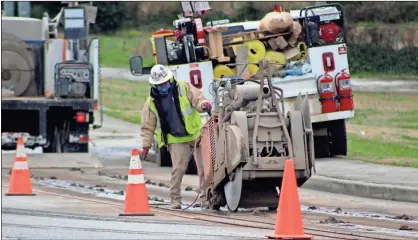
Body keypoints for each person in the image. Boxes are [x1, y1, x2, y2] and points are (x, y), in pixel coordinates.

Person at [139, 64, 212, 209]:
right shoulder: (152, 102)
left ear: (170, 79)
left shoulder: (184, 87)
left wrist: (204, 104)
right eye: (160, 84)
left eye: (165, 83)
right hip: (175, 139)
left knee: (206, 169)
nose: (163, 86)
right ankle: (175, 200)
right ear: (154, 85)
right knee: (178, 170)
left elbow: (198, 99)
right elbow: (148, 126)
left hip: (196, 133)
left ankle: (206, 200)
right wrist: (146, 146)